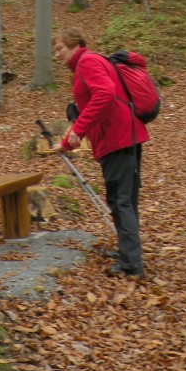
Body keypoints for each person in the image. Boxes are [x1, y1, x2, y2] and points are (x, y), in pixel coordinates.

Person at [53, 28, 149, 279]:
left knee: (121, 200)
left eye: (59, 48)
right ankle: (128, 253)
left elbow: (104, 94)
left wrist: (76, 131)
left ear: (75, 44)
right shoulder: (85, 65)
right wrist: (67, 142)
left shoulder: (87, 62)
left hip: (118, 139)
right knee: (121, 199)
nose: (56, 54)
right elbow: (91, 108)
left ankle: (132, 263)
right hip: (118, 138)